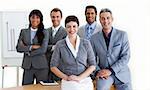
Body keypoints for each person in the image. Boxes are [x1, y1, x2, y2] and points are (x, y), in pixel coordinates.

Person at [50, 15, 96, 90]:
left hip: (84, 79)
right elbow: (53, 66)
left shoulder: (86, 43)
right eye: (68, 26)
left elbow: (93, 65)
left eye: (74, 26)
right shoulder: (60, 44)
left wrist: (79, 78)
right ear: (65, 28)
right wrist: (66, 77)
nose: (71, 29)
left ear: (78, 27)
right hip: (68, 79)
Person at [90, 8, 132, 90]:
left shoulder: (122, 35)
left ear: (112, 19)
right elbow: (92, 59)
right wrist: (98, 72)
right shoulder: (94, 38)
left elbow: (126, 57)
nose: (105, 21)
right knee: (101, 88)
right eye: (103, 19)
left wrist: (111, 70)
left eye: (108, 18)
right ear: (100, 20)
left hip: (121, 73)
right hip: (103, 74)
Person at [16, 9, 49, 85]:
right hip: (28, 66)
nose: (35, 19)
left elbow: (43, 49)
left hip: (41, 66)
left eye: (37, 17)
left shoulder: (45, 32)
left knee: (42, 88)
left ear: (40, 19)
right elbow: (18, 48)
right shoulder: (23, 32)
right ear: (29, 18)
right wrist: (32, 47)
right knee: (26, 87)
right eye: (33, 17)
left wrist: (28, 51)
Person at [46, 8, 67, 82]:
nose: (55, 19)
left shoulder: (66, 32)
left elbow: (64, 48)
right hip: (46, 64)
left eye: (57, 17)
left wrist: (49, 47)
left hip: (59, 66)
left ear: (61, 17)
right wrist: (55, 46)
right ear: (50, 17)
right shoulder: (45, 31)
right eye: (53, 17)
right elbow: (43, 47)